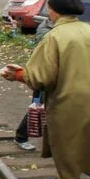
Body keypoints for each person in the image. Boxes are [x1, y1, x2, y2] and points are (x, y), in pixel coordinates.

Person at [1, 0, 90, 179]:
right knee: (75, 143)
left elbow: (41, 77)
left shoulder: (56, 36)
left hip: (69, 99)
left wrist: (17, 75)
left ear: (55, 11)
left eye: (49, 8)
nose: (48, 13)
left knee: (66, 147)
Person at [13, 16, 54, 151]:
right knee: (38, 106)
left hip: (56, 76)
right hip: (42, 77)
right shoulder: (46, 30)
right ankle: (21, 137)